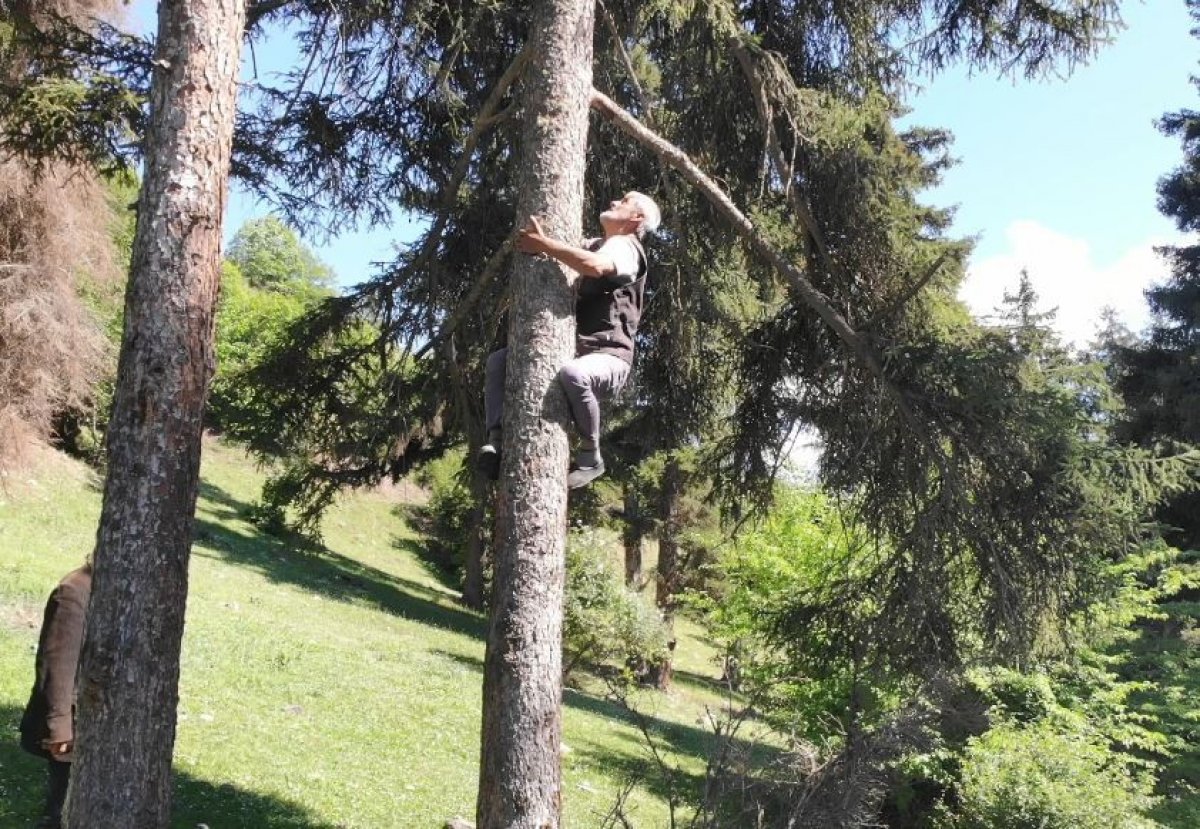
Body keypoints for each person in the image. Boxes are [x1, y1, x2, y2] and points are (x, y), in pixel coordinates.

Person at [480, 191, 661, 488]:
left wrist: (545, 245)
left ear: (636, 219)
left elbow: (596, 266)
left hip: (611, 356)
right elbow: (580, 251)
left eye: (624, 201)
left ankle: (592, 456)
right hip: (581, 350)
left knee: (575, 375)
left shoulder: (626, 247)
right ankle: (496, 440)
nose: (614, 201)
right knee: (500, 360)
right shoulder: (600, 243)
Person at [20, 562, 92, 829]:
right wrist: (59, 728)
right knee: (62, 808)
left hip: (92, 719)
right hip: (72, 723)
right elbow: (57, 664)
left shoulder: (107, 591)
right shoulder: (75, 592)